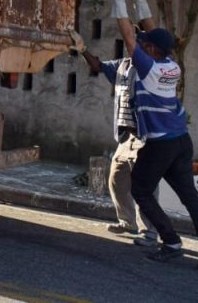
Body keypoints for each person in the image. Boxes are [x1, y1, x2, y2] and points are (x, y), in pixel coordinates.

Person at [108, 0, 198, 273]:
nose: (142, 45)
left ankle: (170, 242)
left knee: (141, 190)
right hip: (181, 141)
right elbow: (153, 33)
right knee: (191, 199)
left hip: (160, 143)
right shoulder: (171, 65)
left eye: (146, 45)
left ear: (152, 51)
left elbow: (129, 36)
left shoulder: (149, 69)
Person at [69, 18, 157, 246]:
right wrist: (83, 49)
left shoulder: (150, 68)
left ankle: (150, 231)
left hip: (144, 137)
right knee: (116, 180)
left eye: (136, 39)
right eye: (131, 38)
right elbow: (98, 66)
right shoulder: (123, 65)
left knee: (144, 188)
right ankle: (128, 222)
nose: (131, 42)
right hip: (126, 138)